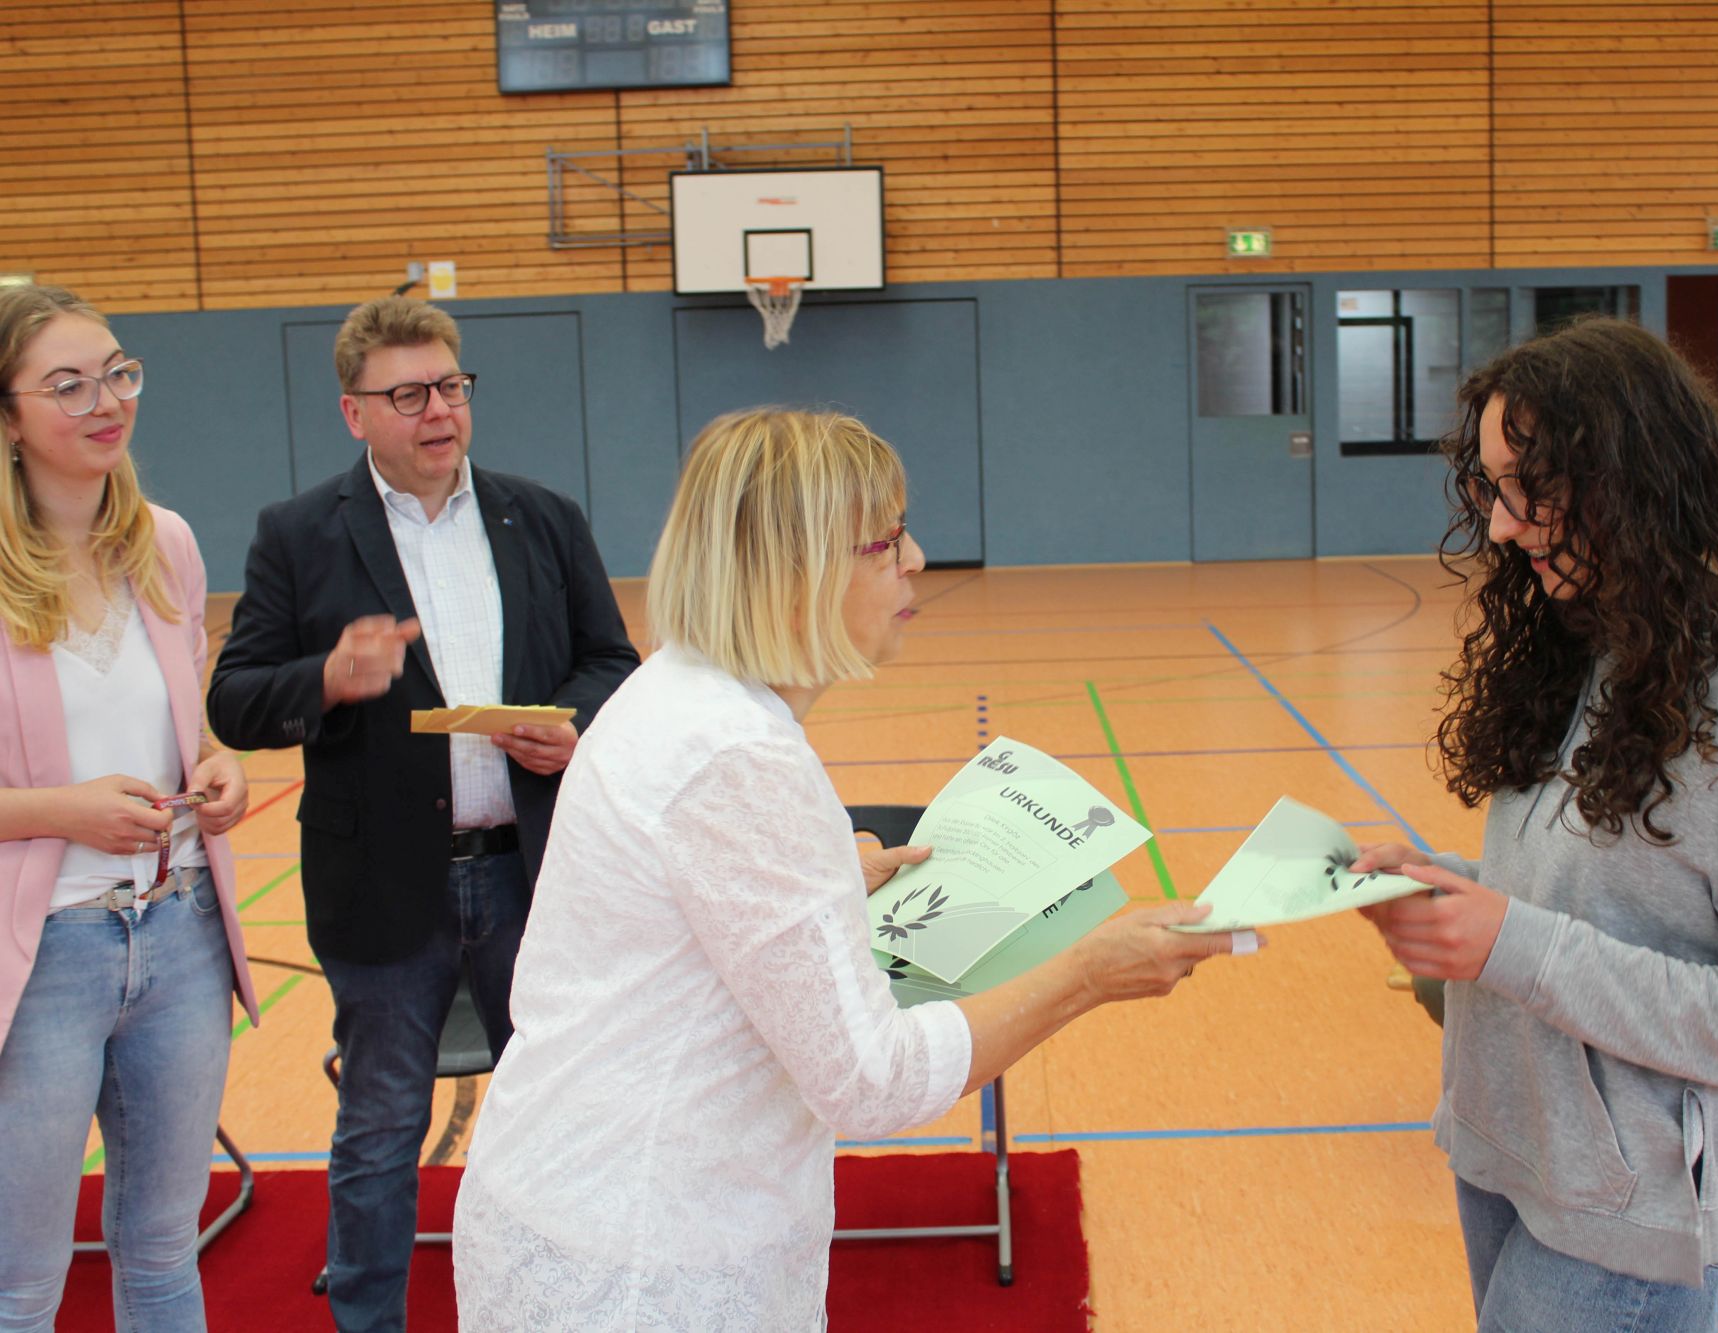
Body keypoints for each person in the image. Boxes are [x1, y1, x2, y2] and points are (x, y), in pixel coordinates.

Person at [451, 408, 1249, 1331]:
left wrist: (826, 880)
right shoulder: (737, 756)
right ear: (795, 573)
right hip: (639, 1262)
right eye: (886, 541)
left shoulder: (680, 691)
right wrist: (1087, 975)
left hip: (587, 1202)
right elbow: (872, 1080)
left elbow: (695, 911)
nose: (917, 559)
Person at [1352, 318, 1718, 1331]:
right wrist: (1450, 884)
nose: (1502, 526)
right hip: (1516, 1148)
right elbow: (1608, 903)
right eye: (1490, 488)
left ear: (1629, 481)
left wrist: (1508, 941)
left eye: (1531, 488)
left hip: (1634, 1212)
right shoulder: (1585, 647)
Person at [206, 296, 638, 1332]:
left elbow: (611, 661)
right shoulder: (298, 534)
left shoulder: (543, 516)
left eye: (450, 385)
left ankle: (561, 1304)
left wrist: (571, 724)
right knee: (380, 1125)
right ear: (354, 412)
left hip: (532, 875)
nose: (439, 410)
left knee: (561, 1112)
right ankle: (368, 1318)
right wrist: (327, 677)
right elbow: (235, 700)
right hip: (385, 884)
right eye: (408, 395)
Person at [0, 284, 259, 1329]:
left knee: (161, 1251)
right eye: (68, 385)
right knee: (21, 1279)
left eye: (117, 372)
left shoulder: (167, 544)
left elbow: (187, 725)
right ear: (8, 418)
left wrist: (220, 765)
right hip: (43, 958)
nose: (107, 401)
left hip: (181, 934)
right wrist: (61, 810)